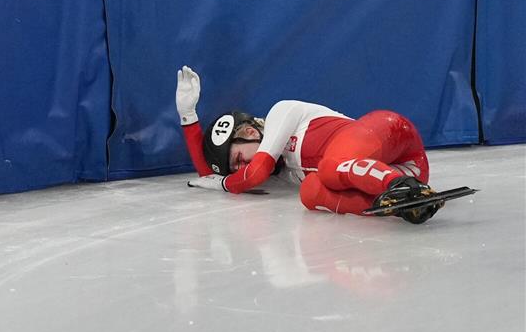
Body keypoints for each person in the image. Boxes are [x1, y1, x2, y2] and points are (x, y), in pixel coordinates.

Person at [174, 65, 444, 223]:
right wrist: (188, 117)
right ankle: (401, 203)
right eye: (236, 169)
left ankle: (397, 188)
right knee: (311, 193)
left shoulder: (281, 112)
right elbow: (210, 175)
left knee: (328, 169)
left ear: (249, 132)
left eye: (239, 160)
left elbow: (253, 174)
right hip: (406, 170)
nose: (242, 170)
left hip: (393, 133)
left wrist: (224, 184)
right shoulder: (280, 174)